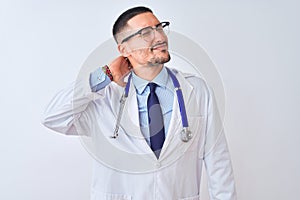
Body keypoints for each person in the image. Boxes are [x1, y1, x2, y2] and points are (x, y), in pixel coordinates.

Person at [42, 6, 237, 200]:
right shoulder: (104, 98)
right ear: (124, 49)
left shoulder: (196, 90)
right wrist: (104, 75)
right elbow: (53, 117)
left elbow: (218, 164)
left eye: (160, 28)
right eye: (146, 33)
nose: (160, 37)